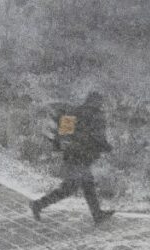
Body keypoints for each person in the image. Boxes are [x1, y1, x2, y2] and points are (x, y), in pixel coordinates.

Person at [30, 91, 115, 225]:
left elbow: (62, 134)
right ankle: (38, 205)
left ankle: (97, 214)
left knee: (86, 185)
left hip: (71, 156)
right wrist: (107, 147)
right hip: (82, 157)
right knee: (71, 188)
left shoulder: (73, 111)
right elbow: (99, 138)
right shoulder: (97, 115)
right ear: (97, 102)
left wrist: (65, 146)